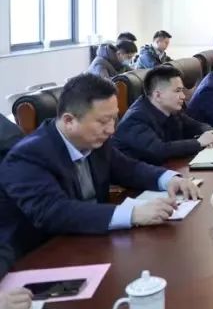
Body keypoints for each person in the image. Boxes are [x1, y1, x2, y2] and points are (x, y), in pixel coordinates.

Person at [0, 74, 200, 260]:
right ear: (69, 121)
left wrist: (169, 179)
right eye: (103, 121)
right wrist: (133, 214)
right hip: (47, 257)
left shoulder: (94, 141)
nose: (111, 130)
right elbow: (55, 212)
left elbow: (130, 169)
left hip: (96, 243)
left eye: (114, 119)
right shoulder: (27, 157)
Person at [114, 66, 213, 164]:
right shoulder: (135, 119)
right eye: (177, 91)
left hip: (167, 168)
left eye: (182, 90)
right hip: (137, 176)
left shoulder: (171, 110)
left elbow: (196, 125)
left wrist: (209, 132)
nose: (183, 96)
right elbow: (158, 150)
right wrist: (198, 143)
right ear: (158, 95)